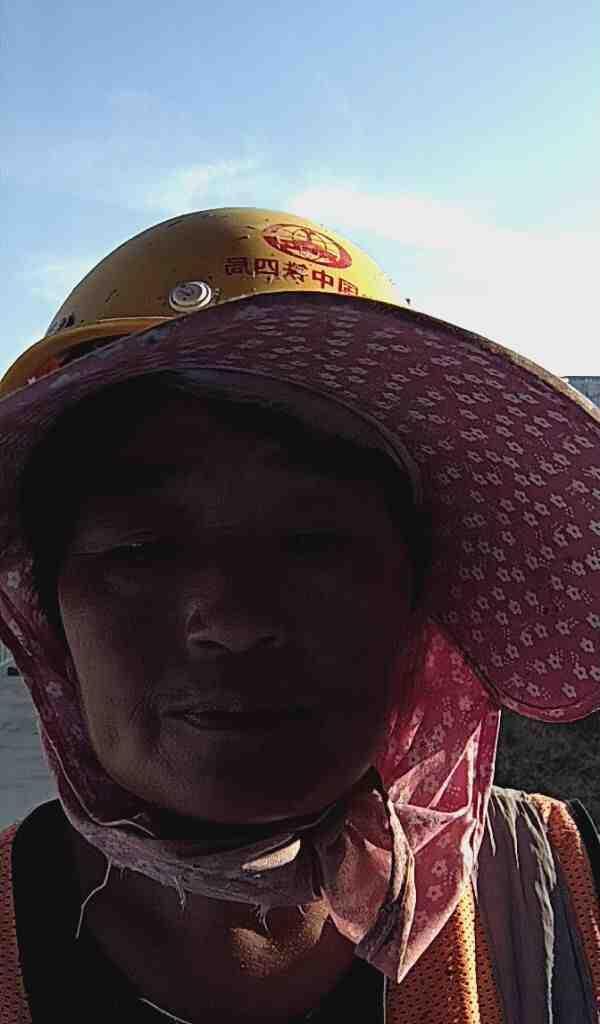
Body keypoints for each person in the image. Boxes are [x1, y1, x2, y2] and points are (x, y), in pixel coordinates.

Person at [0, 207, 599, 1024]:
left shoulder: (563, 895)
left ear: (415, 604)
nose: (234, 620)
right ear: (47, 618)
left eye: (315, 543)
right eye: (142, 550)